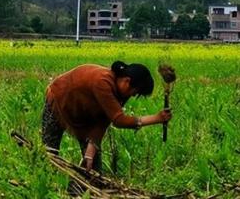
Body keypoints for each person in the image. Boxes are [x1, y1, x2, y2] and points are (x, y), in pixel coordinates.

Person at [41, 61, 172, 172]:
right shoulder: (102, 82)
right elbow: (118, 120)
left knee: (93, 167)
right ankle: (48, 181)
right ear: (127, 81)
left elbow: (104, 120)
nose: (132, 95)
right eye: (135, 91)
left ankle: (86, 190)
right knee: (49, 152)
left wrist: (90, 151)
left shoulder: (121, 92)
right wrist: (156, 118)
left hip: (84, 113)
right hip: (59, 99)